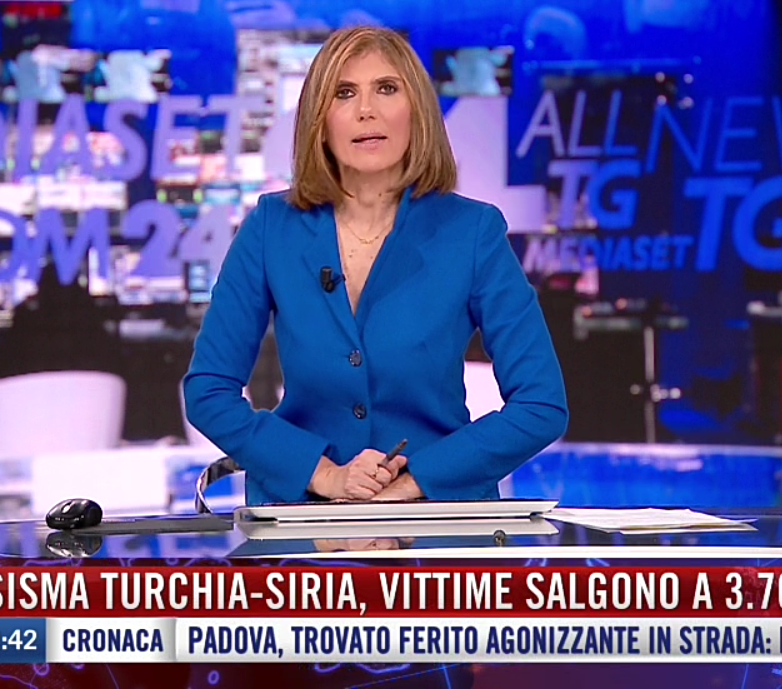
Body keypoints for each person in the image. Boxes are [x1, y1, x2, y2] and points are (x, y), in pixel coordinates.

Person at [183, 26, 569, 506]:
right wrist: (324, 475)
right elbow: (208, 391)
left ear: (417, 110)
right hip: (304, 513)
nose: (366, 110)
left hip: (436, 516)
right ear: (320, 119)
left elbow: (540, 404)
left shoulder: (473, 232)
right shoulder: (270, 228)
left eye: (386, 88)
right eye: (344, 93)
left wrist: (416, 483)